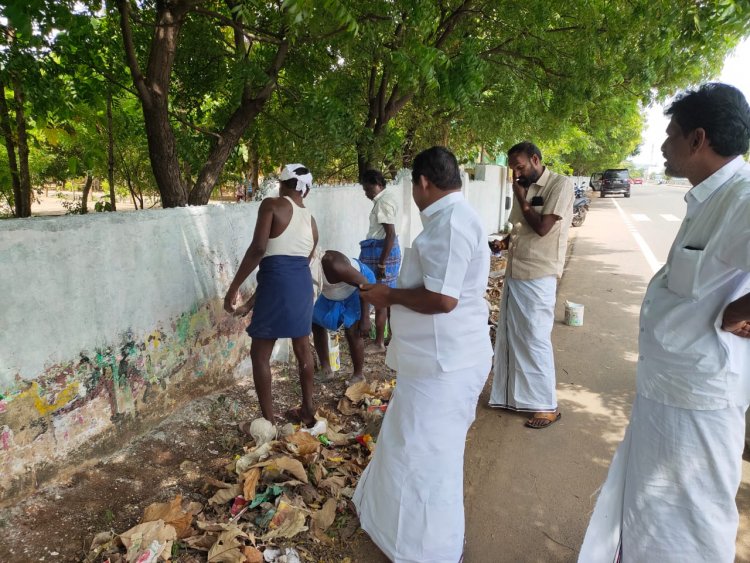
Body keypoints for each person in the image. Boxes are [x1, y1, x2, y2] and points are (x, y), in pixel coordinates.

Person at [579, 83, 750, 562]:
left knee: (691, 524)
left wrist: (740, 310)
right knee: (653, 514)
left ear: (698, 140)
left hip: (698, 402)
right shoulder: (709, 199)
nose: (662, 145)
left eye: (670, 134)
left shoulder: (741, 198)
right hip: (671, 391)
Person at [353, 146, 492, 562]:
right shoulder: (450, 218)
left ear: (424, 183)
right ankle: (398, 535)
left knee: (426, 458)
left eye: (413, 185)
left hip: (446, 364)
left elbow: (444, 299)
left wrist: (387, 295)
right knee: (408, 447)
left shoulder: (450, 224)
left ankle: (429, 550)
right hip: (434, 361)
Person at [223, 164, 319, 428]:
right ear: (306, 191)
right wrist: (252, 302)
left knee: (260, 354)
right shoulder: (311, 220)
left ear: (282, 184)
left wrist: (234, 288)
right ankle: (308, 410)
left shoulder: (271, 205)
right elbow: (296, 264)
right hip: (301, 286)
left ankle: (268, 422)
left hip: (277, 282)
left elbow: (258, 250)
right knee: (303, 349)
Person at [488, 141, 574, 428]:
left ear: (536, 160)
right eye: (513, 168)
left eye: (520, 166)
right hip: (516, 270)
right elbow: (520, 227)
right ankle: (515, 397)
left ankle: (547, 406)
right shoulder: (523, 186)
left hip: (538, 274)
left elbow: (542, 227)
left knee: (535, 337)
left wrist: (521, 197)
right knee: (513, 336)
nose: (516, 173)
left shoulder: (560, 185)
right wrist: (504, 241)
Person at [311, 250, 375, 385]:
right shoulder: (303, 267)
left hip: (359, 289)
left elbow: (364, 284)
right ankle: (326, 369)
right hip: (333, 293)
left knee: (353, 330)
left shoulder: (332, 263)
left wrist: (365, 318)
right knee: (315, 321)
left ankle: (358, 375)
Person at [359, 169, 401, 354]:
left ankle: (379, 343)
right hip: (383, 250)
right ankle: (392, 337)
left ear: (377, 184)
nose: (366, 192)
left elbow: (389, 233)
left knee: (380, 296)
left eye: (367, 188)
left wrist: (382, 263)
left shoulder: (383, 202)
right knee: (388, 297)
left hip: (381, 251)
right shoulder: (388, 197)